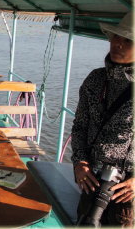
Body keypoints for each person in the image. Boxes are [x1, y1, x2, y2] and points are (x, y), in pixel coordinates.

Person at [71, 12, 134, 226]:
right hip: (92, 179)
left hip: (127, 192)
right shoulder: (95, 79)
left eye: (128, 40)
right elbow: (80, 126)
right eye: (117, 37)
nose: (118, 44)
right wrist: (79, 163)